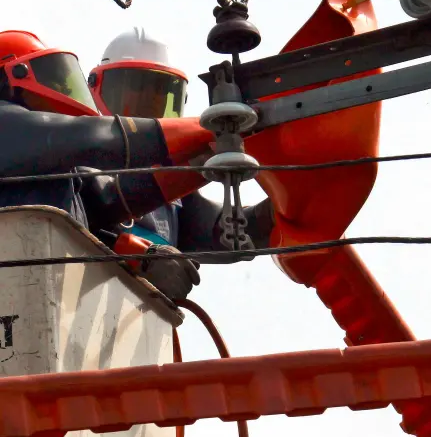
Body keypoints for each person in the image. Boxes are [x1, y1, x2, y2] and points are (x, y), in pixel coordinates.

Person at [0, 29, 221, 299]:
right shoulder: (12, 129)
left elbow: (107, 202)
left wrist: (202, 162)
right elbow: (92, 138)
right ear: (11, 80)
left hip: (46, 298)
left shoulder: (53, 168)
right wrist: (210, 127)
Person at [87, 28, 274, 272]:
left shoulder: (175, 189)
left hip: (146, 297)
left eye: (158, 96)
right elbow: (75, 220)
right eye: (135, 93)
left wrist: (275, 213)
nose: (144, 114)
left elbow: (225, 232)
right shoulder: (79, 162)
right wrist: (134, 254)